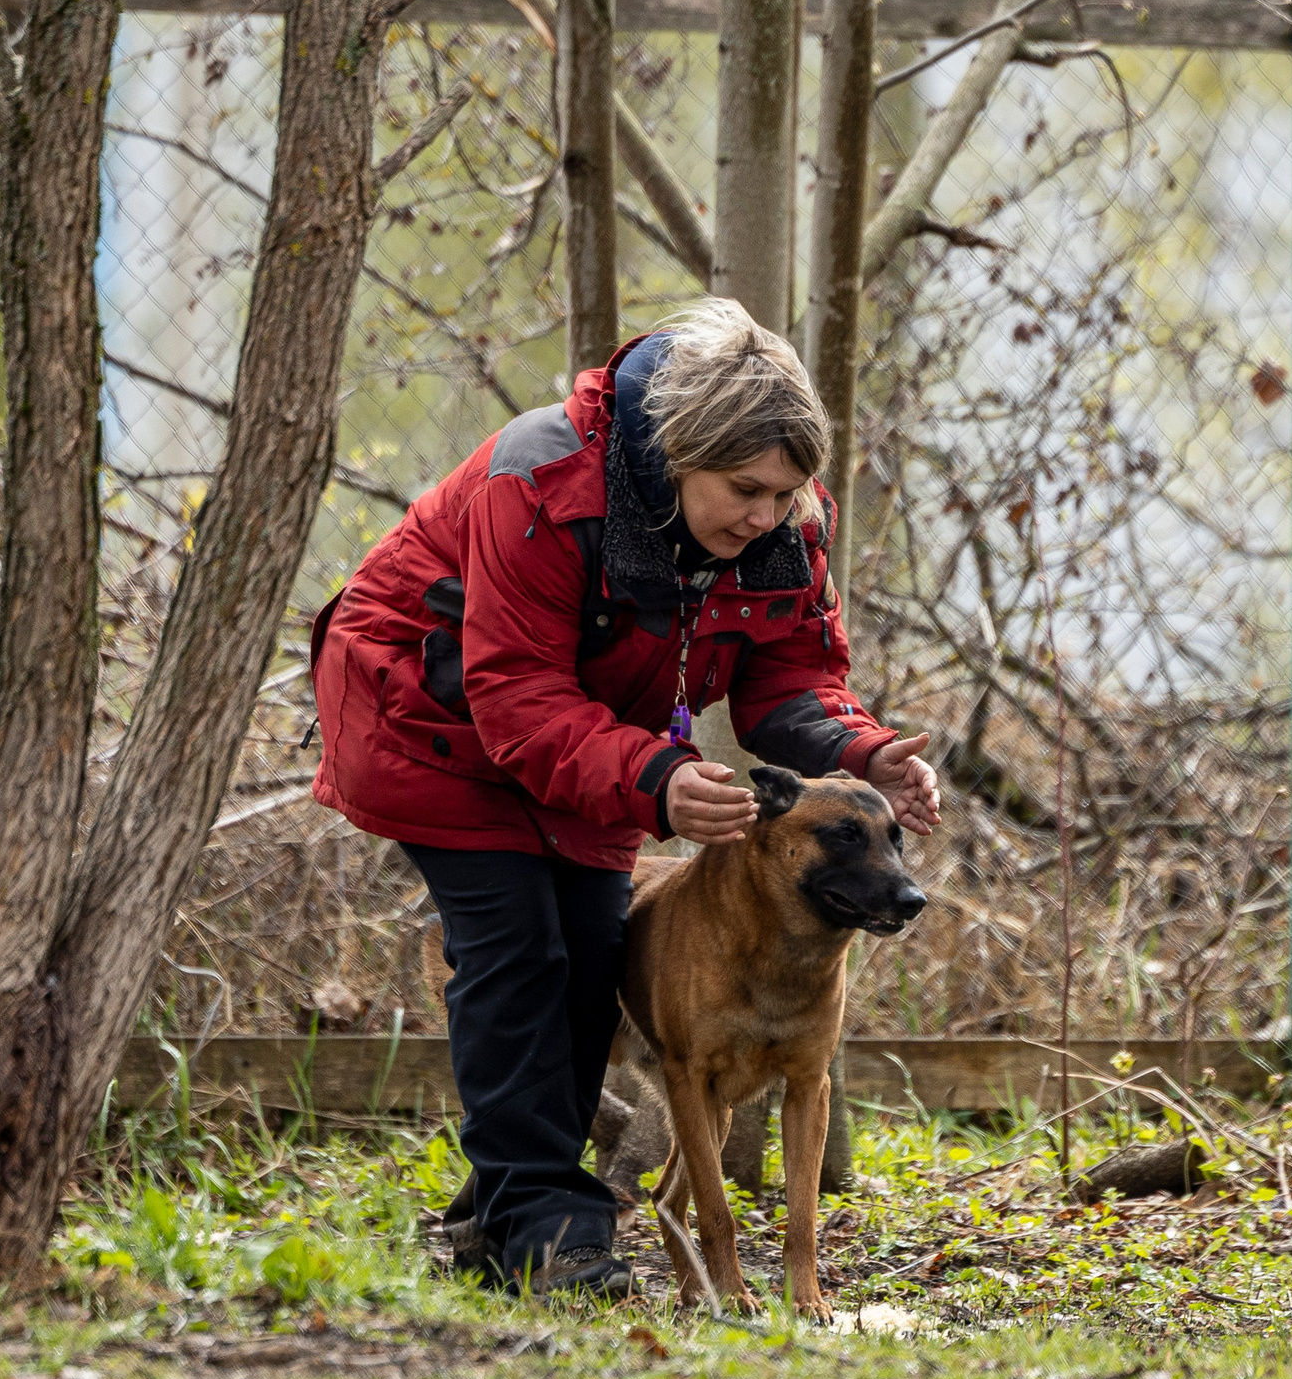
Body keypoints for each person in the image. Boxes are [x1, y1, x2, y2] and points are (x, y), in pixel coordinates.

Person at [308, 298, 940, 1298]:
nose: (767, 515)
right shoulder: (544, 479)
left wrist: (866, 748)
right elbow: (512, 695)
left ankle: (500, 1204)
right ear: (682, 449)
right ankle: (545, 1234)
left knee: (593, 951)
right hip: (426, 713)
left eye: (786, 493)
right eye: (746, 489)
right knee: (524, 950)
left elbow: (790, 680)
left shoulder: (781, 526)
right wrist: (653, 777)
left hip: (585, 730)